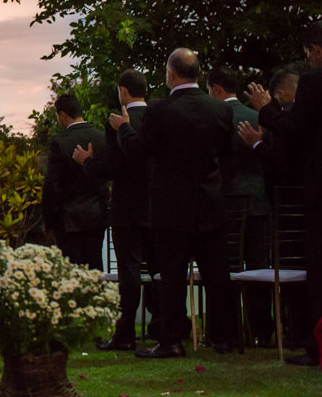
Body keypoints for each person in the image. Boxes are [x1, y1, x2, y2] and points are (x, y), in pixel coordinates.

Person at [112, 48, 238, 358]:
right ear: (198, 73)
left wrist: (124, 128)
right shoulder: (220, 110)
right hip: (210, 202)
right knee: (216, 275)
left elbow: (139, 152)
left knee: (172, 276)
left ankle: (171, 340)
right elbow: (228, 157)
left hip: (171, 206)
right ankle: (224, 338)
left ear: (171, 74)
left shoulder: (160, 111)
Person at [245, 20, 322, 366]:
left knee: (318, 268)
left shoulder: (313, 81)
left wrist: (266, 110)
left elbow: (296, 129)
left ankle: (317, 345)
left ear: (315, 49)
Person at [74, 69, 157, 350]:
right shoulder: (158, 117)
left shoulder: (116, 123)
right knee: (160, 268)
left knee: (129, 271)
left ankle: (125, 334)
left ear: (123, 91)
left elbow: (111, 168)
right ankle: (164, 326)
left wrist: (86, 161)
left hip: (127, 207)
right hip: (158, 205)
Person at [208, 65, 273, 346]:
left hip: (228, 202)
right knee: (259, 266)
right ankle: (263, 330)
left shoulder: (216, 118)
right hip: (259, 200)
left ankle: (230, 332)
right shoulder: (257, 115)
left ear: (216, 89)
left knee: (228, 269)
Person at [42, 94, 107, 270]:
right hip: (96, 216)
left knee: (71, 271)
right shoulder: (102, 138)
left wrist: (49, 220)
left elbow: (52, 185)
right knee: (95, 267)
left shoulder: (60, 143)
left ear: (63, 115)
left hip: (68, 220)